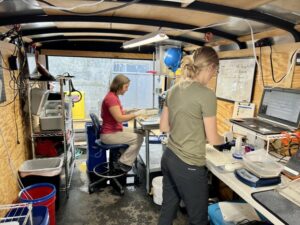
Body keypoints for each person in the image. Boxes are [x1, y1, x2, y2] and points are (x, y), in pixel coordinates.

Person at [158, 47, 225, 225]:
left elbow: (163, 126)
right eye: (216, 71)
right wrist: (227, 139)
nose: (214, 75)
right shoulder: (207, 95)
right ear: (211, 67)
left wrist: (188, 129)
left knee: (168, 209)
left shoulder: (173, 89)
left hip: (169, 157)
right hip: (189, 165)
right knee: (198, 219)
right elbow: (213, 138)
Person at [100, 74, 145, 172]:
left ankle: (122, 154)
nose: (127, 89)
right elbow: (119, 118)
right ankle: (123, 162)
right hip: (109, 134)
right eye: (126, 87)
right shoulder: (111, 99)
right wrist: (136, 114)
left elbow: (117, 112)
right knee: (138, 138)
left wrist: (130, 111)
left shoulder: (113, 96)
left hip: (114, 129)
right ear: (119, 86)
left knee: (140, 132)